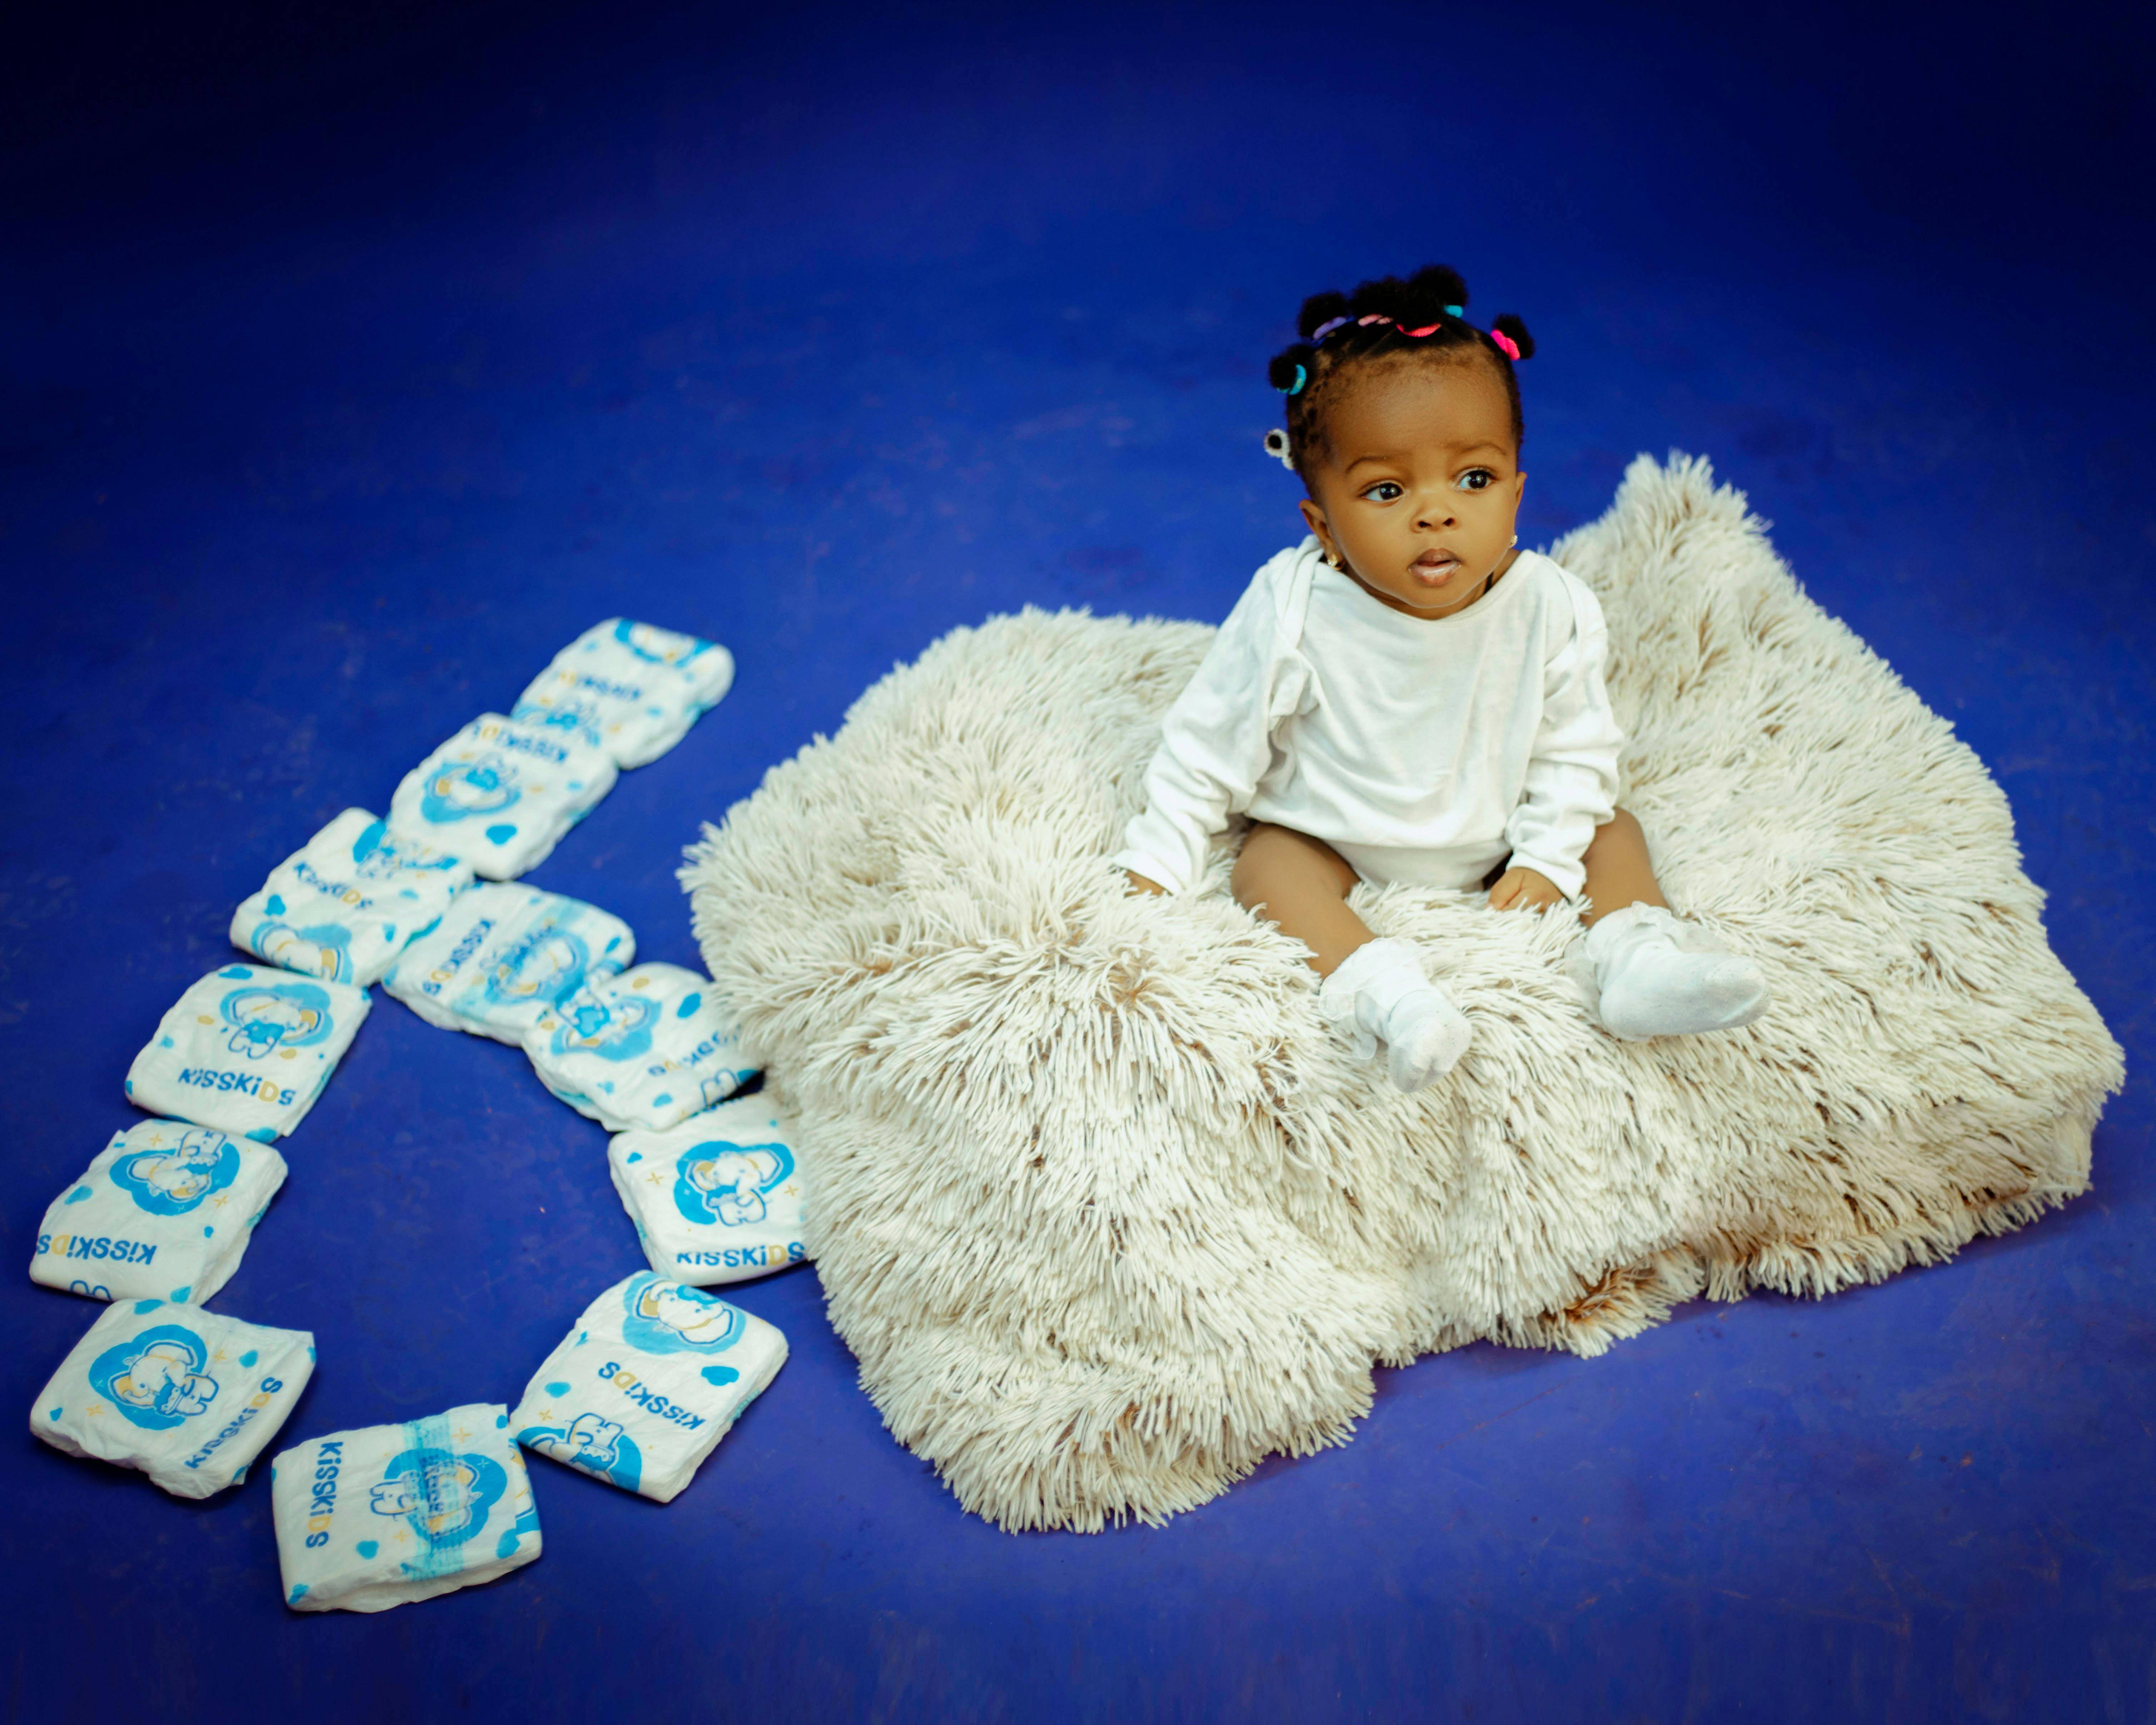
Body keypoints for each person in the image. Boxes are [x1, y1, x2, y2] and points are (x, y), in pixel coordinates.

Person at [1114, 265, 1769, 1091]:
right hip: (1338, 832)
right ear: (1322, 524)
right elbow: (1210, 740)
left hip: (1495, 828)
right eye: (1386, 490)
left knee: (1614, 830)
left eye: (1474, 479)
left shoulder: (1553, 607)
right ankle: (1388, 996)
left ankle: (1639, 958)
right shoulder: (1293, 606)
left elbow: (1576, 749)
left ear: (1518, 491)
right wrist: (1158, 859)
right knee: (1267, 865)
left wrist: (1548, 854)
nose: (1437, 512)